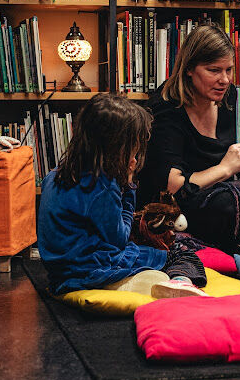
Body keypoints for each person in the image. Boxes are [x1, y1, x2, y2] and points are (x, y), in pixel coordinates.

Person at [37, 93, 208, 298]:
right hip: (91, 269)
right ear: (117, 145)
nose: (137, 150)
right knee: (183, 254)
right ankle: (180, 283)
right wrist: (127, 185)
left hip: (60, 273)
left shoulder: (54, 175)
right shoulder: (102, 185)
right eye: (135, 143)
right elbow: (119, 239)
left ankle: (148, 280)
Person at [137, 24, 240, 254]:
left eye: (229, 70)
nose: (225, 80)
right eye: (214, 70)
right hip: (178, 208)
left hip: (230, 191)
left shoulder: (231, 98)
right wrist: (225, 168)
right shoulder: (165, 109)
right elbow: (173, 186)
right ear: (189, 69)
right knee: (227, 205)